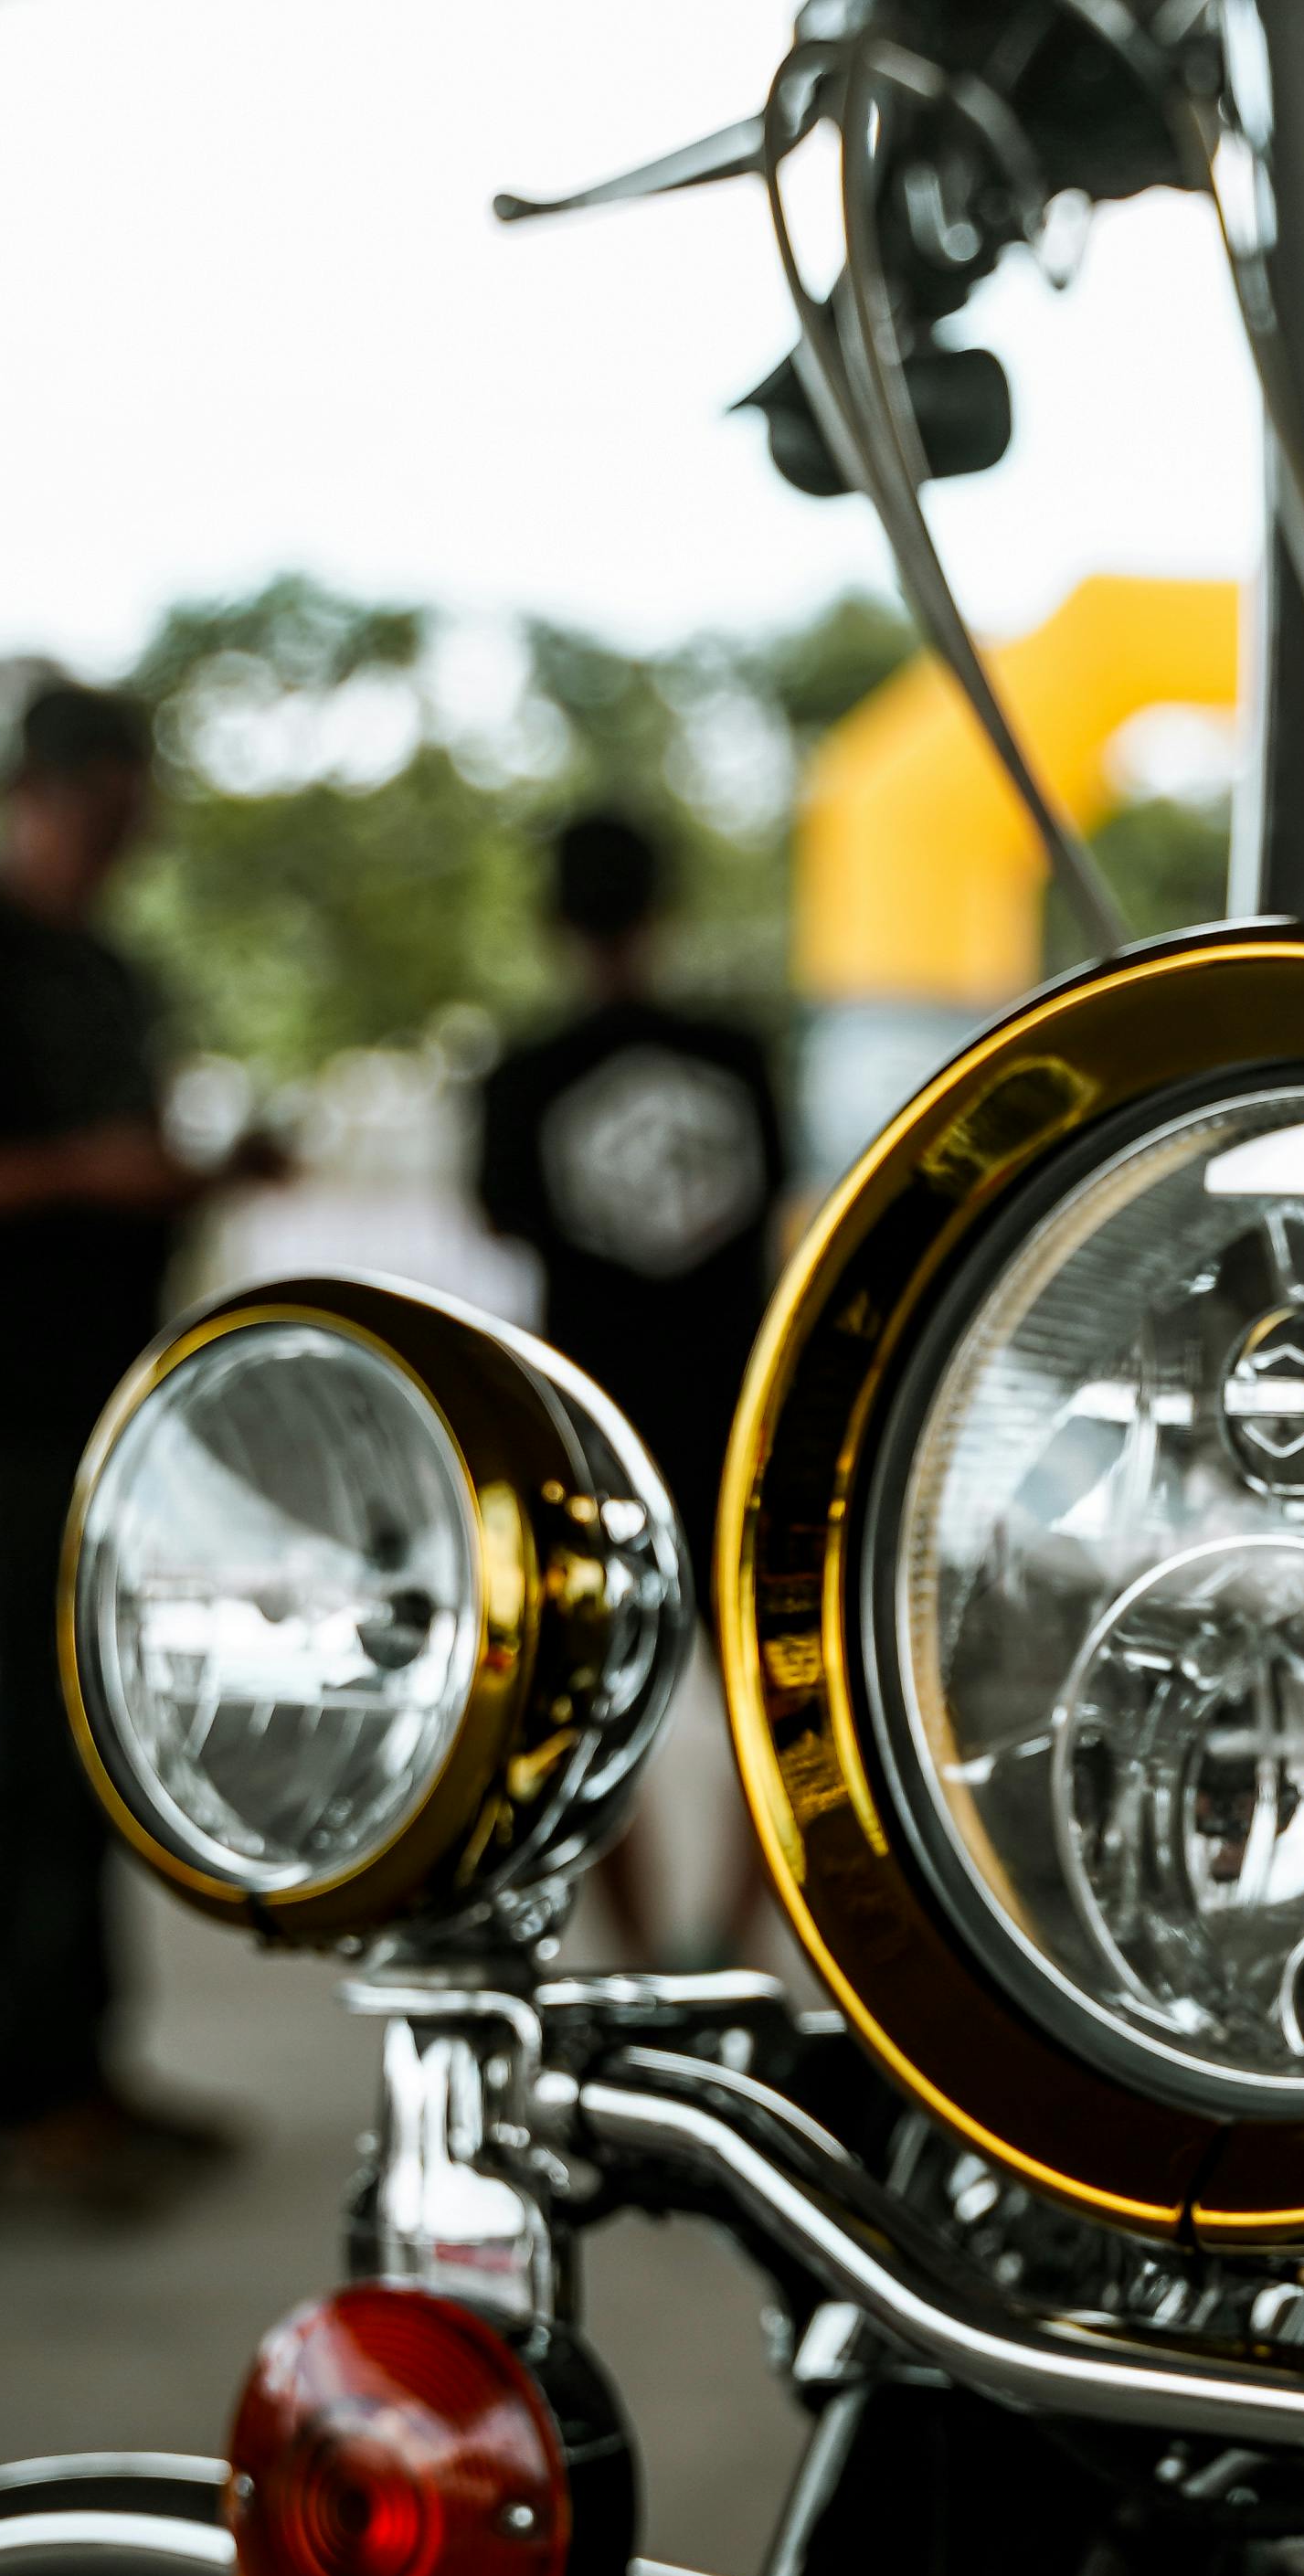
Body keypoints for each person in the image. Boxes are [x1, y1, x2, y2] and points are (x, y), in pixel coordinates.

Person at [0, 682, 270, 2217]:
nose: (132, 826)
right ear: (55, 791)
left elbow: (128, 1158)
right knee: (34, 1749)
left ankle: (81, 2074)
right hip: (11, 1399)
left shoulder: (108, 975)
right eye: (118, 796)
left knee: (94, 1749)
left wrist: (186, 1176)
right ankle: (18, 2101)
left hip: (112, 1395)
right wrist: (77, 1172)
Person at [472, 808, 785, 1970]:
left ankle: (650, 1956)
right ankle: (743, 1943)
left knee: (593, 1705)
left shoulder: (523, 1075)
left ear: (556, 921)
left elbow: (501, 1217)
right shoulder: (737, 1055)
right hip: (739, 1414)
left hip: (595, 1426)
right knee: (774, 1690)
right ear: (663, 910)